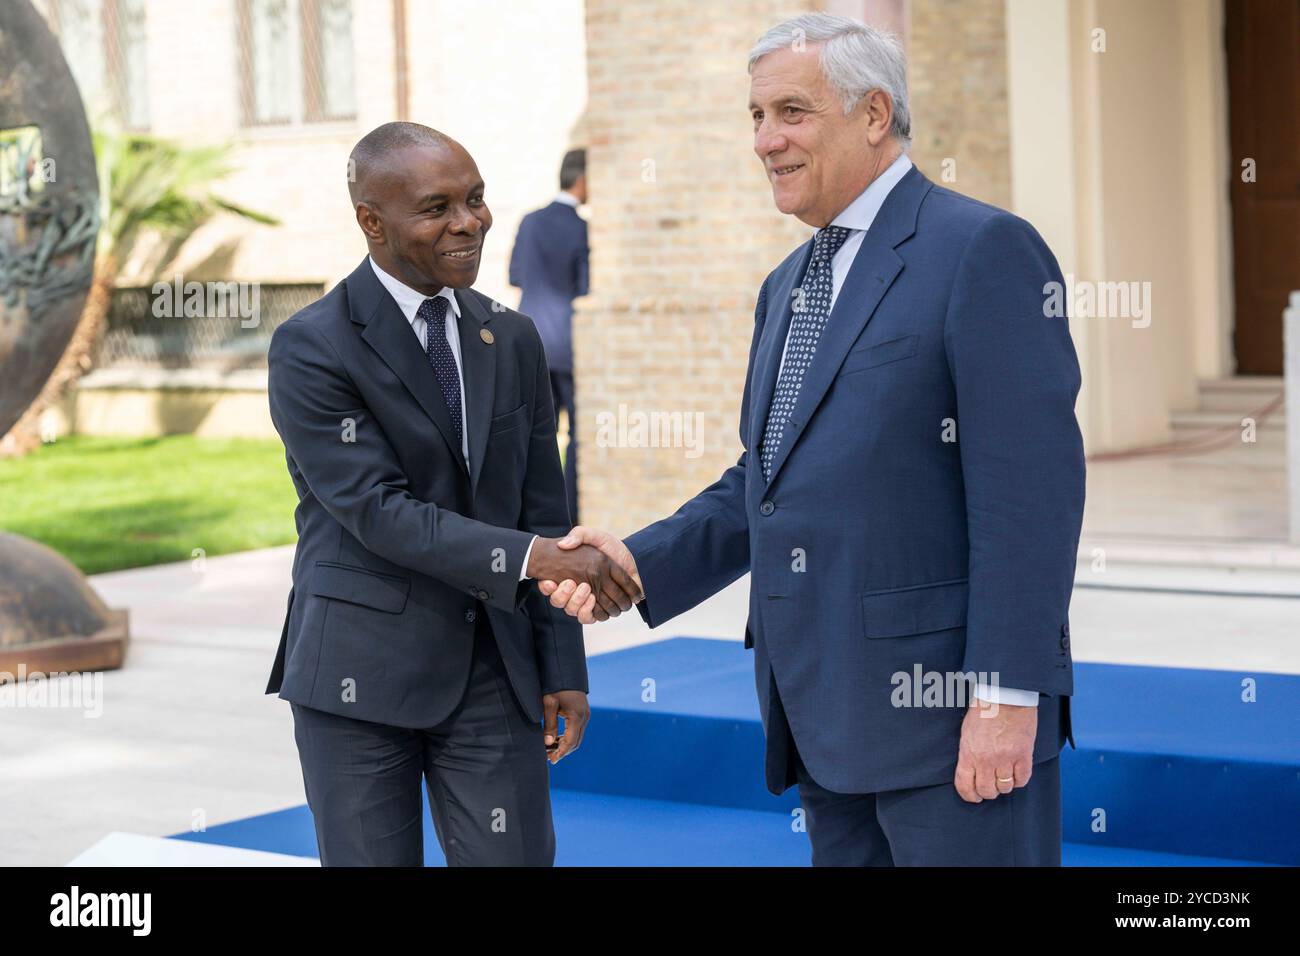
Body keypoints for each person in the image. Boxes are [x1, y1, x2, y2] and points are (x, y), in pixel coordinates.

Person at [540, 14, 1085, 866]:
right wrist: (640, 561)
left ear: (874, 114)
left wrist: (1009, 697)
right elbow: (767, 480)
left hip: (948, 729)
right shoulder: (789, 283)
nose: (764, 141)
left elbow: (1030, 499)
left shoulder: (982, 250)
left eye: (791, 112)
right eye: (755, 117)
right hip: (821, 720)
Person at [264, 123, 640, 866]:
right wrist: (537, 560)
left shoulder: (513, 337)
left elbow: (544, 506)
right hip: (358, 681)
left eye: (475, 199)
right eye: (437, 208)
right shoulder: (312, 346)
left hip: (493, 672)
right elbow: (379, 512)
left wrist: (561, 667)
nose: (468, 222)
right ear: (371, 221)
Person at [509, 148, 589, 522]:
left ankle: (528, 515)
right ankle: (568, 515)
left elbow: (515, 276)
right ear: (583, 180)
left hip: (529, 341)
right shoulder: (581, 228)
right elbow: (585, 287)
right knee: (577, 435)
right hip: (570, 344)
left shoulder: (529, 222)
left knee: (533, 435)